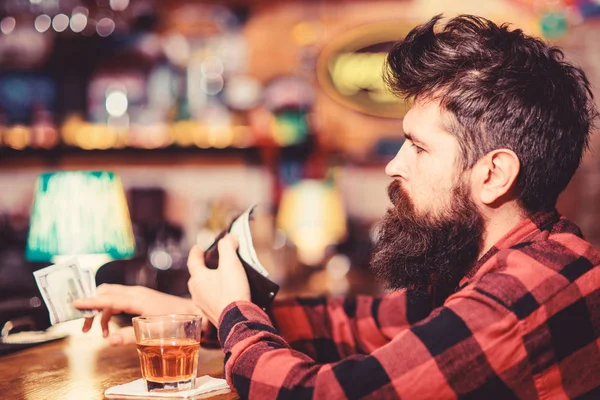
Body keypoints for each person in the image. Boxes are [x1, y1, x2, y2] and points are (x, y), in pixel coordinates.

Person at [75, 15, 600, 399]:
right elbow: (353, 324)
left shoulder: (514, 300)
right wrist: (200, 316)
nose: (395, 165)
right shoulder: (526, 260)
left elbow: (329, 395)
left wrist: (235, 318)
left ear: (493, 175)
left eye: (418, 147)